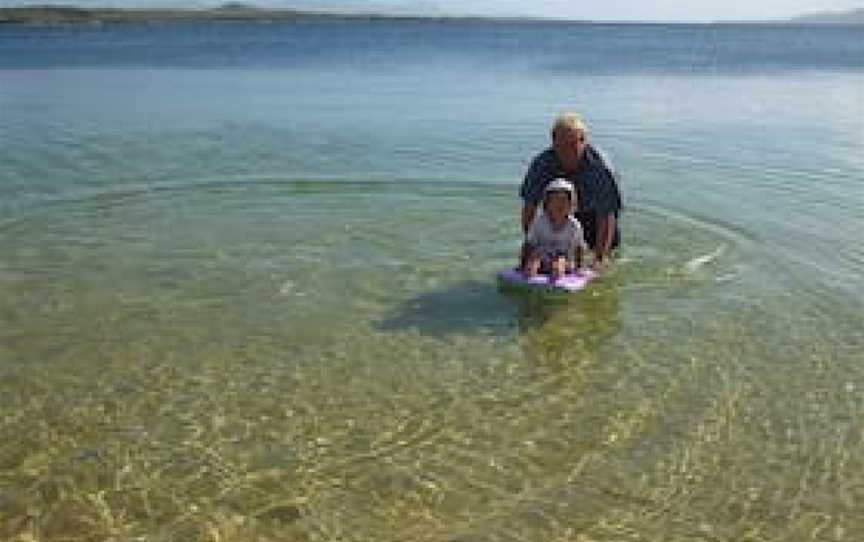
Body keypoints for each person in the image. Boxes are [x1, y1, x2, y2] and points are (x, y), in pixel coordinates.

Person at [520, 113, 622, 270]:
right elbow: (529, 207)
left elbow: (606, 215)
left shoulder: (600, 168)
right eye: (561, 146)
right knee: (550, 256)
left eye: (573, 145)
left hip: (594, 217)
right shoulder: (541, 164)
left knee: (600, 262)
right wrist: (533, 246)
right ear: (553, 143)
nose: (567, 152)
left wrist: (599, 258)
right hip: (557, 213)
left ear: (583, 142)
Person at [520, 179, 587, 280]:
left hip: (562, 258)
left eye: (564, 201)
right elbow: (529, 244)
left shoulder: (574, 225)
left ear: (571, 205)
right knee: (533, 262)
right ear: (547, 204)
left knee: (558, 264)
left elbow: (579, 248)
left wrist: (579, 267)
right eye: (555, 200)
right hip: (542, 256)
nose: (559, 205)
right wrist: (523, 263)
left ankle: (556, 278)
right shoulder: (539, 222)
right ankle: (530, 275)